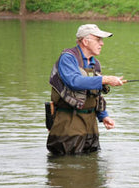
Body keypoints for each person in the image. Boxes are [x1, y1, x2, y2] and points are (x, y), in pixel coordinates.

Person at [47, 24, 125, 155]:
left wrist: (103, 116)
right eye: (98, 39)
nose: (102, 43)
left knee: (92, 166)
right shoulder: (68, 58)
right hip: (69, 122)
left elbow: (95, 95)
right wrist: (105, 79)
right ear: (85, 41)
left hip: (91, 124)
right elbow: (74, 81)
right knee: (68, 165)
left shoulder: (96, 64)